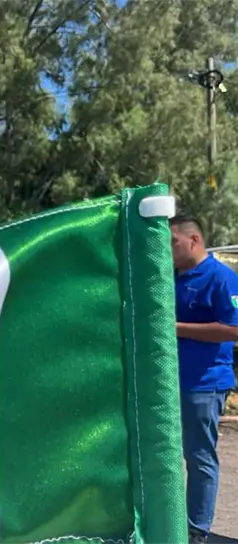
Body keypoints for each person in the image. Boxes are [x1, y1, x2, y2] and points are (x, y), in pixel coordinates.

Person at [170, 214, 238, 544]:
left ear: (193, 240)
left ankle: (197, 530)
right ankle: (169, 521)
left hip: (204, 384)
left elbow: (234, 329)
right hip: (169, 383)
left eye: (173, 242)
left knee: (199, 457)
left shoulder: (222, 278)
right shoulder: (168, 277)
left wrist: (177, 328)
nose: (167, 249)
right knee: (167, 453)